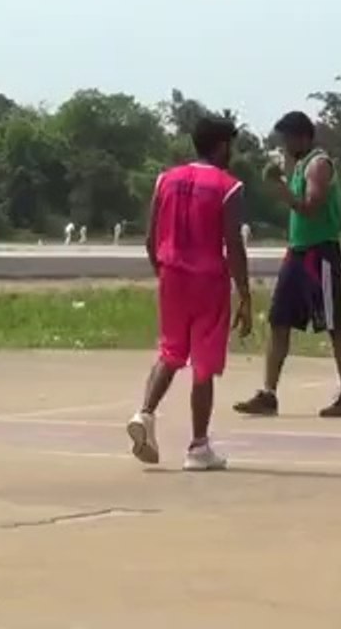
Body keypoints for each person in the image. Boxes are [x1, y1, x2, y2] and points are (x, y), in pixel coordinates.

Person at [126, 118, 252, 471]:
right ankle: (198, 446)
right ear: (222, 146)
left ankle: (145, 413)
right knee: (204, 362)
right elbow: (233, 244)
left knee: (170, 351)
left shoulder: (166, 179)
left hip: (171, 274)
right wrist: (244, 293)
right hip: (208, 279)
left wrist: (163, 270)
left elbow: (150, 238)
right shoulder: (228, 186)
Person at [234, 111, 341, 418]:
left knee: (334, 322)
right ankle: (269, 393)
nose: (285, 144)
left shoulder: (318, 164)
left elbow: (311, 206)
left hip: (320, 253)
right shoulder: (299, 166)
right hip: (298, 252)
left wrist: (283, 193)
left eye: (288, 138)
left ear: (302, 137)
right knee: (279, 319)